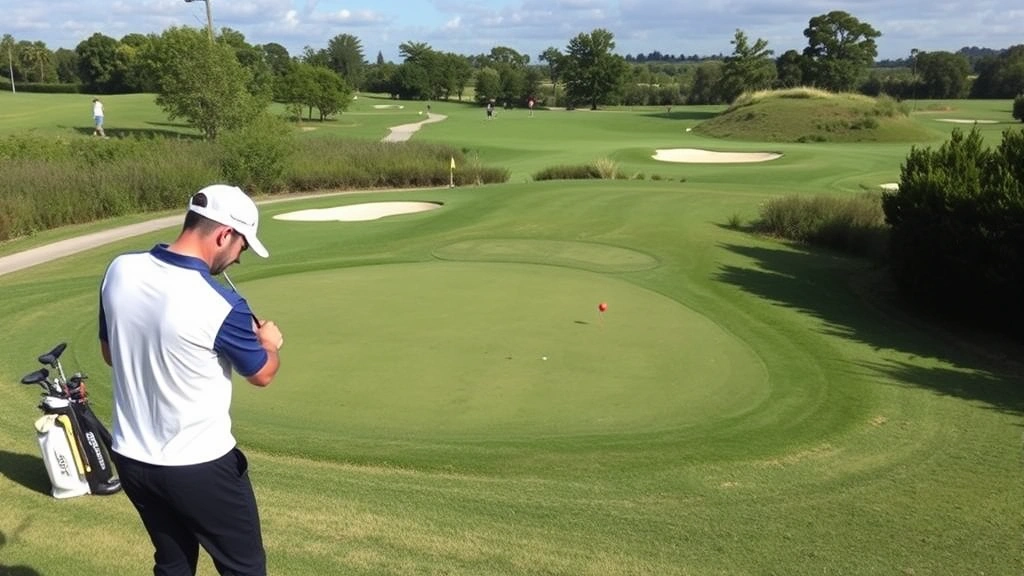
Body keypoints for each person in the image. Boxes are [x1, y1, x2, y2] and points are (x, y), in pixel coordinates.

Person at [98, 184, 284, 576]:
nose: (239, 258)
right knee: (245, 568)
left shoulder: (119, 270)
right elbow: (262, 374)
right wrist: (270, 343)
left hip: (133, 459)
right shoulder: (221, 304)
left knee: (173, 563)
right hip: (199, 467)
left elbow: (110, 354)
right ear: (224, 235)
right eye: (243, 247)